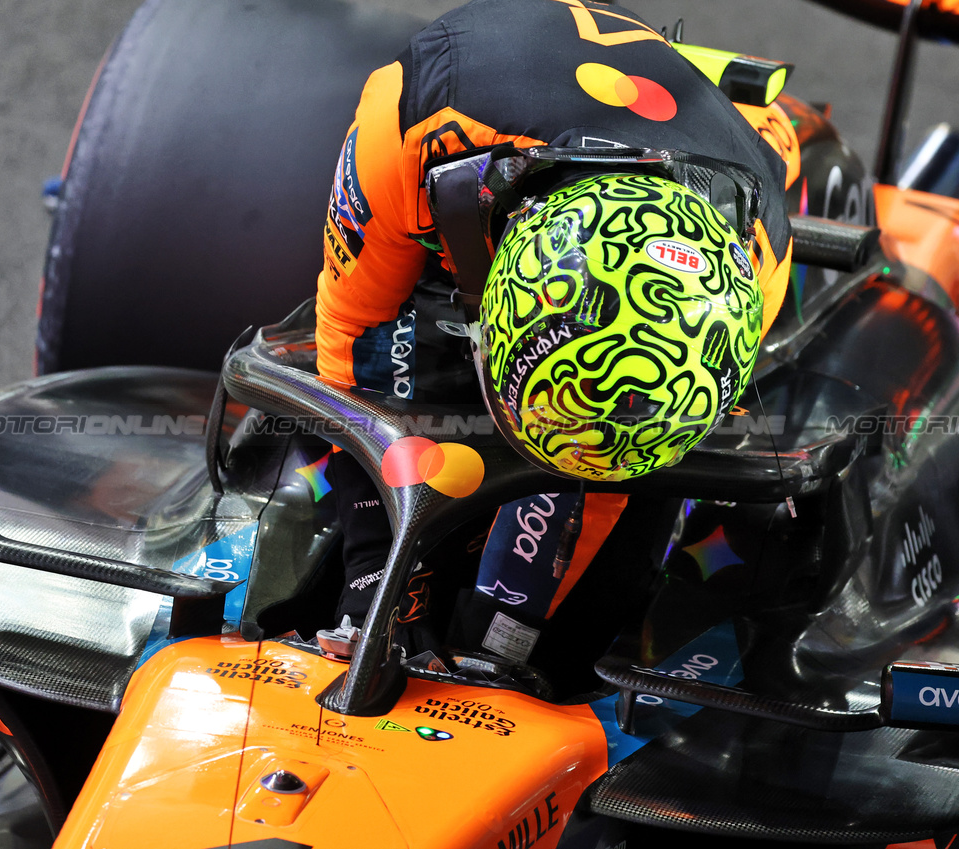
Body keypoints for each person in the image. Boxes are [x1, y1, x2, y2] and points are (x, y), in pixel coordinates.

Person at [316, 0, 794, 683]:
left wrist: (514, 635)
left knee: (556, 632)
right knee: (372, 558)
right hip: (475, 109)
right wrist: (372, 557)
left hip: (718, 129)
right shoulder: (410, 131)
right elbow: (350, 332)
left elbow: (614, 463)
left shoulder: (757, 263)